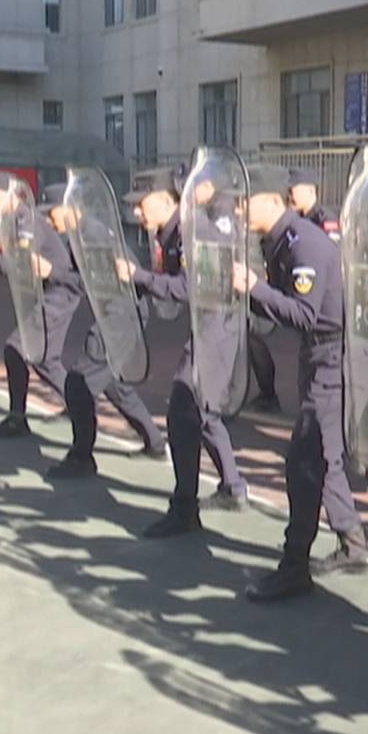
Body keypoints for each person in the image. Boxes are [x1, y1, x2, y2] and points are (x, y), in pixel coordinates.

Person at [237, 163, 368, 601]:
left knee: (303, 462)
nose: (241, 207)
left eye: (247, 199)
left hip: (333, 356)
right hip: (319, 355)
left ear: (274, 201)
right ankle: (354, 545)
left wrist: (254, 288)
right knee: (324, 457)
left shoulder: (304, 244)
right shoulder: (278, 239)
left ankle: (295, 564)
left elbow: (302, 314)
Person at [119, 175, 251, 538]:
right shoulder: (177, 232)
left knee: (182, 409)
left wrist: (140, 277)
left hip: (218, 331)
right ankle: (233, 487)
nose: (135, 210)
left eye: (141, 203)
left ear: (164, 201)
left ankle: (185, 508)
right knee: (203, 413)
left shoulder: (194, 232)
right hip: (211, 328)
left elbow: (189, 289)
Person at [47, 174, 172, 479]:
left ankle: (81, 457)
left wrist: (52, 272)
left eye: (51, 212)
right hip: (120, 314)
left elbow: (98, 280)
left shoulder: (92, 237)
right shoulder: (82, 235)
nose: (49, 220)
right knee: (118, 387)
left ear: (70, 210)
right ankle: (155, 443)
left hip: (120, 317)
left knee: (78, 385)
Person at [0, 179, 83, 441]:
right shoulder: (14, 220)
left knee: (16, 348)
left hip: (60, 292)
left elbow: (17, 265)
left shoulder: (25, 220)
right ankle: (80, 405)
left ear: (9, 193)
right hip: (49, 293)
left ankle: (19, 418)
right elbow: (7, 264)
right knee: (45, 360)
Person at [288, 166, 342, 241]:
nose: (289, 197)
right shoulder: (294, 219)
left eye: (291, 191)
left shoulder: (326, 220)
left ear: (310, 190)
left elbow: (332, 248)